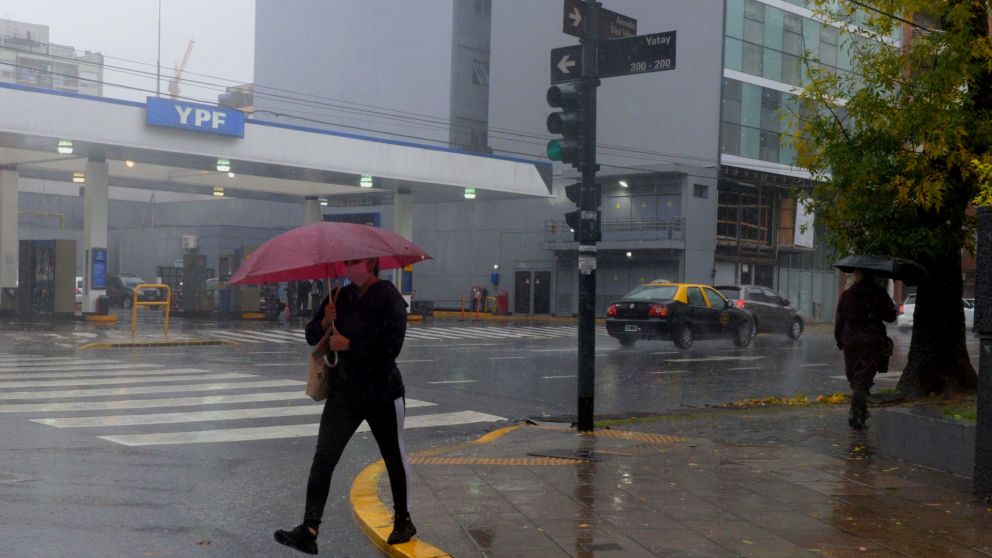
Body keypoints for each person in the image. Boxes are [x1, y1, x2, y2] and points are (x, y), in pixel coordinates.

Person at [275, 258, 414, 555]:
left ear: (372, 263)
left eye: (355, 262)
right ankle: (309, 528)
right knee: (324, 456)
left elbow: (392, 346)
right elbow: (312, 335)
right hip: (345, 393)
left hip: (382, 392)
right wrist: (325, 322)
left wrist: (352, 344)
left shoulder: (389, 296)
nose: (349, 267)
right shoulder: (338, 295)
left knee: (393, 456)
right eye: (347, 262)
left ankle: (403, 519)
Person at [834, 270, 897, 429]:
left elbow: (839, 319)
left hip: (851, 341)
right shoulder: (878, 293)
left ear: (857, 275)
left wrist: (839, 340)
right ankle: (857, 414)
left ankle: (859, 412)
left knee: (855, 377)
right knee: (862, 380)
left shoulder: (847, 295)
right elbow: (890, 316)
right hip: (871, 340)